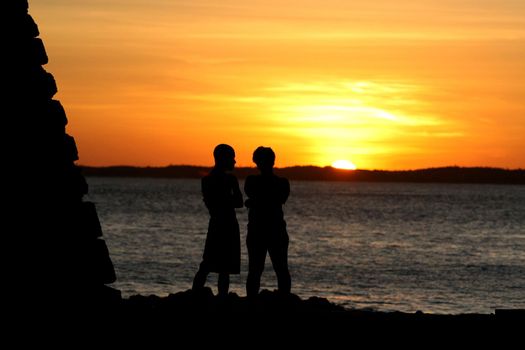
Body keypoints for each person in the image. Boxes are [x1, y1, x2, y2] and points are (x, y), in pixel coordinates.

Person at [192, 144, 243, 296]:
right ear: (223, 159)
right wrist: (228, 199)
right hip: (223, 224)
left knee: (213, 266)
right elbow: (238, 202)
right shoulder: (227, 180)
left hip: (220, 224)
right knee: (212, 265)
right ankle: (212, 297)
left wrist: (224, 200)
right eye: (232, 158)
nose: (234, 161)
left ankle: (203, 296)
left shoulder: (208, 180)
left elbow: (236, 202)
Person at [245, 146, 291, 297]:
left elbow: (257, 198)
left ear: (256, 162)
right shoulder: (282, 183)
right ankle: (283, 301)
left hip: (261, 230)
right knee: (278, 269)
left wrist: (254, 202)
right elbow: (276, 199)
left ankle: (253, 301)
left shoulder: (252, 181)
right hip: (273, 230)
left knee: (258, 269)